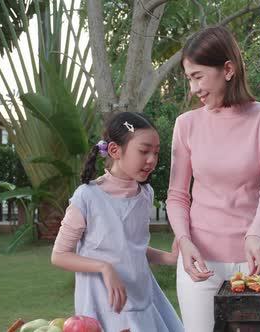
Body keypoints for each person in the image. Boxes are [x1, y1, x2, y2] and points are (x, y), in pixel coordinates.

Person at [166, 25, 260, 332]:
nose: (193, 89)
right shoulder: (186, 125)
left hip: (255, 261)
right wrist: (184, 240)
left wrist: (256, 234)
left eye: (198, 77)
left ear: (228, 69)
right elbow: (178, 194)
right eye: (189, 79)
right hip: (199, 263)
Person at [51, 111, 184, 331]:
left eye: (156, 153)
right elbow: (59, 255)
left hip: (142, 300)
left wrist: (169, 258)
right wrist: (104, 267)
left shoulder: (145, 194)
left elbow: (131, 247)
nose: (151, 160)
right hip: (103, 306)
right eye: (143, 151)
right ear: (115, 150)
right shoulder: (87, 197)